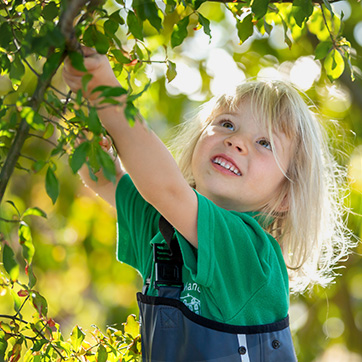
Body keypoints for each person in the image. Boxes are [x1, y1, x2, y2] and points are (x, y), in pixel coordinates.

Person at [63, 47, 352, 361]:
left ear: (285, 196)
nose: (236, 140)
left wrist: (106, 92)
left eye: (264, 142)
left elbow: (166, 189)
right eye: (227, 124)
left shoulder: (253, 255)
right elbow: (106, 180)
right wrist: (84, 116)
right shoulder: (164, 225)